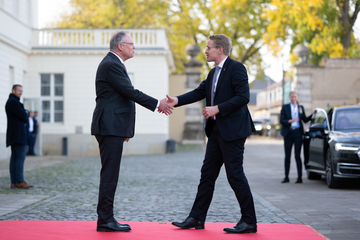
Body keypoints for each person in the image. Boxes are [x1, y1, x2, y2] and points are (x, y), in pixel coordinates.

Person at [167, 34, 257, 234]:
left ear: (220, 50)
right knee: (207, 175)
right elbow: (199, 92)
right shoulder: (212, 73)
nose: (205, 51)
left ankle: (249, 221)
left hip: (233, 132)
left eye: (209, 48)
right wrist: (176, 100)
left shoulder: (237, 68)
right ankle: (196, 218)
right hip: (216, 132)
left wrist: (217, 108)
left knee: (235, 176)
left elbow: (243, 97)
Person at [90, 31, 172, 232]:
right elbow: (130, 92)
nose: (134, 47)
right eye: (131, 44)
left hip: (112, 126)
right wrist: (157, 104)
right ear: (120, 46)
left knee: (110, 173)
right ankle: (105, 220)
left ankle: (106, 218)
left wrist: (124, 129)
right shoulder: (111, 64)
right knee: (110, 174)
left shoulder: (113, 63)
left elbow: (120, 98)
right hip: (109, 126)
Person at [280, 91, 313, 184]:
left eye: (295, 96)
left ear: (297, 97)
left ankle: (299, 177)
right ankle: (286, 177)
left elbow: (305, 120)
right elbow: (282, 120)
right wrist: (291, 120)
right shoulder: (285, 107)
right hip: (288, 133)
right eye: (292, 97)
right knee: (287, 156)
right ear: (289, 98)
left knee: (297, 156)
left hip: (298, 133)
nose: (293, 98)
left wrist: (313, 114)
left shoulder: (300, 108)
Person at [5, 84, 33, 189]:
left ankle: (14, 181)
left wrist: (25, 113)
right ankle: (19, 181)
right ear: (13, 90)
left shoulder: (12, 102)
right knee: (19, 158)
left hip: (15, 135)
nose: (20, 92)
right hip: (18, 135)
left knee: (15, 158)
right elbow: (24, 116)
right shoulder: (13, 102)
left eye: (21, 91)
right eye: (19, 91)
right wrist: (26, 113)